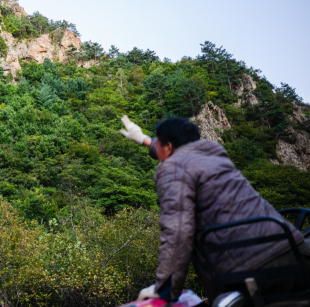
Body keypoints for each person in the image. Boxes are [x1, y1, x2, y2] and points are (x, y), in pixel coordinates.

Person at [119, 115, 310, 304]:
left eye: (158, 143)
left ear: (168, 147)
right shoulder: (214, 154)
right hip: (293, 249)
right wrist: (143, 139)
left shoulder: (171, 169)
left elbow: (177, 232)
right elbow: (178, 152)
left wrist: (165, 289)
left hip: (252, 270)